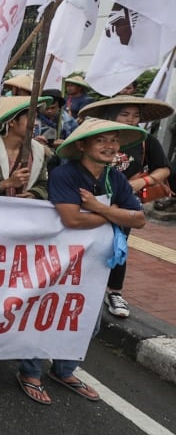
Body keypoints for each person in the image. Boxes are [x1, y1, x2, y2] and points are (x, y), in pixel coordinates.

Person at [16, 118, 147, 404]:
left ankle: (64, 370)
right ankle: (31, 372)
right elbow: (72, 218)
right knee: (47, 315)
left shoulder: (116, 178)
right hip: (60, 260)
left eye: (113, 140)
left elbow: (139, 219)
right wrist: (114, 213)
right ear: (83, 145)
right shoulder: (66, 175)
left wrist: (98, 207)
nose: (109, 146)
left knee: (87, 321)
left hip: (95, 265)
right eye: (101, 140)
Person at [77, 96, 173, 318]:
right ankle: (81, 287)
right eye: (125, 114)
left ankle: (114, 292)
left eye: (136, 115)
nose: (131, 119)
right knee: (85, 244)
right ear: (112, 115)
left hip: (125, 202)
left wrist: (143, 181)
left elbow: (163, 169)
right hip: (90, 199)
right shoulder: (93, 134)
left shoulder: (145, 140)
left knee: (117, 244)